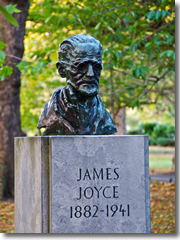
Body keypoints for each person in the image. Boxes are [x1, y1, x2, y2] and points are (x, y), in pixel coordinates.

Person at [37, 34, 117, 135]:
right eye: (81, 67)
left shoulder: (104, 119)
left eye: (96, 67)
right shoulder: (51, 113)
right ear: (62, 70)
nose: (90, 74)